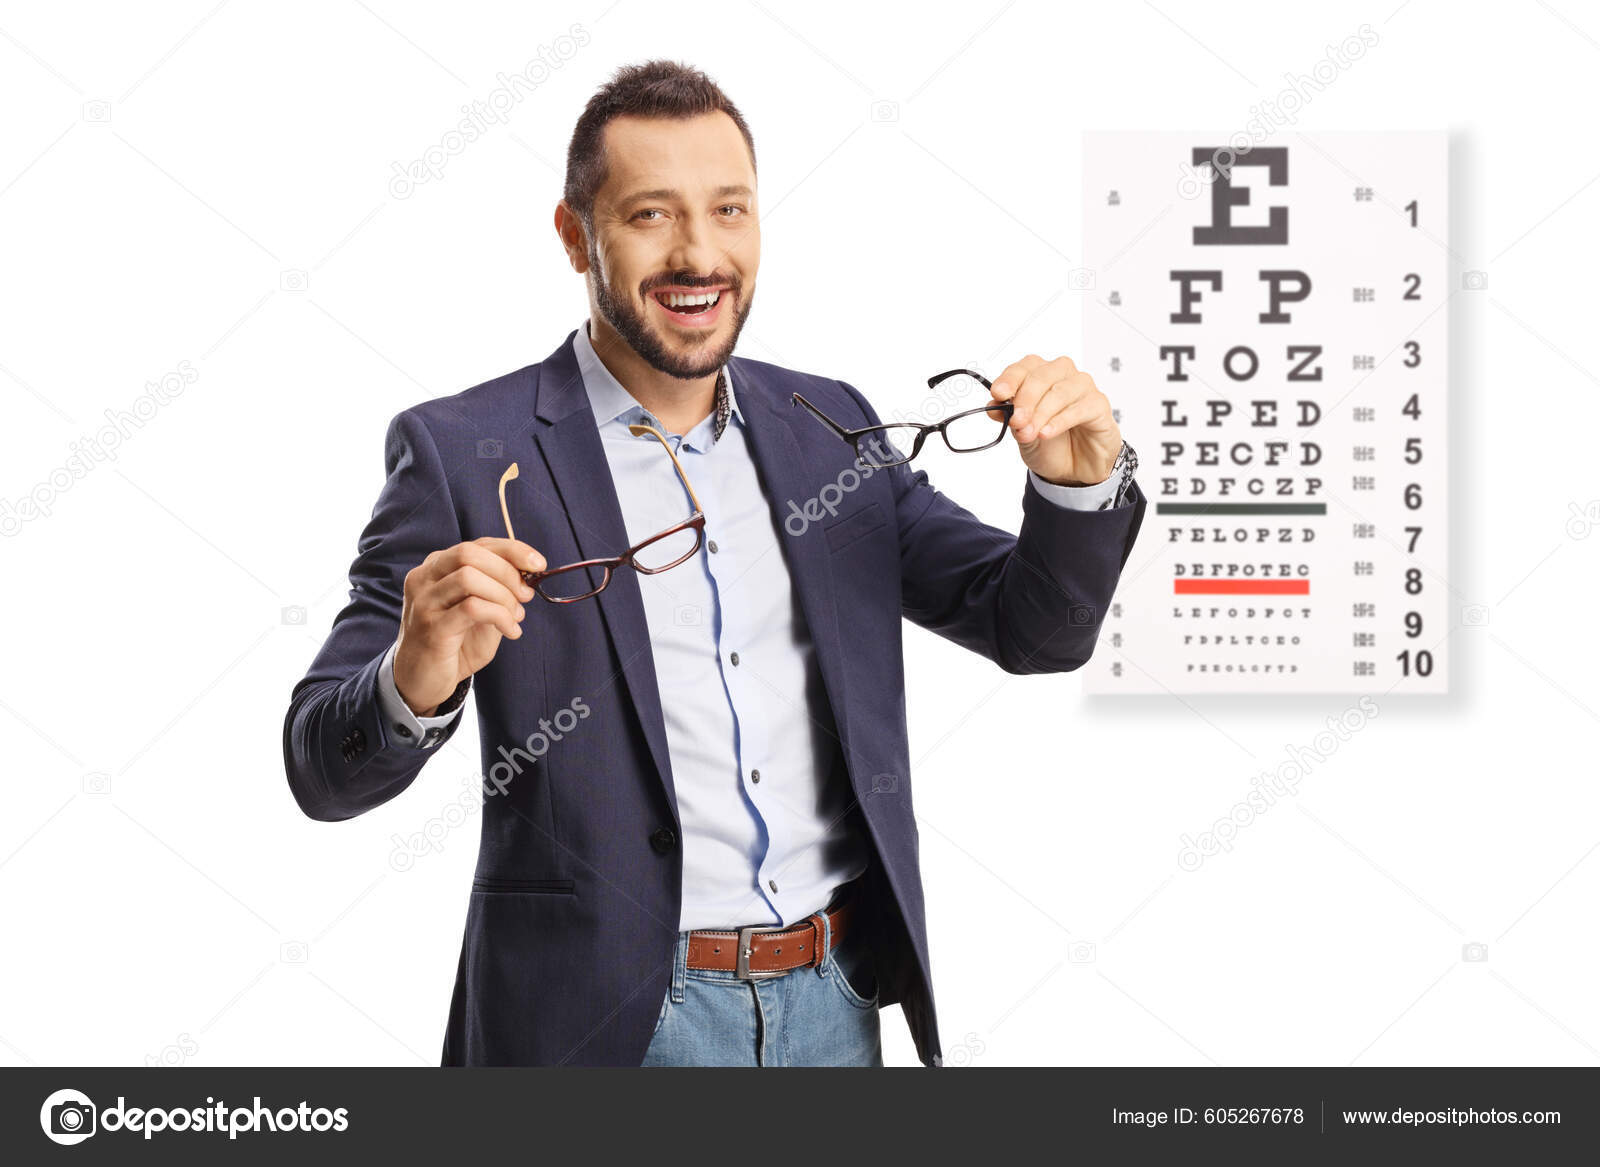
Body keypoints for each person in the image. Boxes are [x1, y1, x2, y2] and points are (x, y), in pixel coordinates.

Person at [283, 59, 1145, 1067]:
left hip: (836, 1003)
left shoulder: (831, 431)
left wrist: (1077, 487)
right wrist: (414, 677)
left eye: (729, 209)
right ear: (575, 236)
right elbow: (320, 772)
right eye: (651, 214)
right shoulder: (463, 451)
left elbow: (1031, 630)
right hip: (602, 1027)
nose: (700, 253)